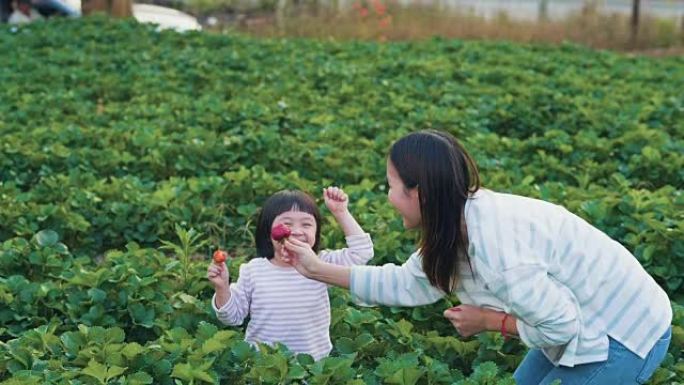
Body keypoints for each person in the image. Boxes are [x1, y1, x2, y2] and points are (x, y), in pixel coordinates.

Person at [283, 130, 672, 384]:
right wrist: (318, 269)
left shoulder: (498, 252)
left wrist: (491, 321)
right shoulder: (455, 219)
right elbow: (406, 283)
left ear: (419, 192)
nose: (387, 197)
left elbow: (562, 327)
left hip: (626, 331)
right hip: (578, 317)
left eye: (391, 186)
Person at [206, 187, 374, 360]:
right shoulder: (253, 270)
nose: (296, 231)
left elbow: (362, 253)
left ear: (316, 232)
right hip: (264, 365)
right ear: (267, 232)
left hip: (313, 364)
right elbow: (232, 317)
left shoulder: (321, 264)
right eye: (286, 224)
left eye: (306, 224)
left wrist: (341, 212)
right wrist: (222, 288)